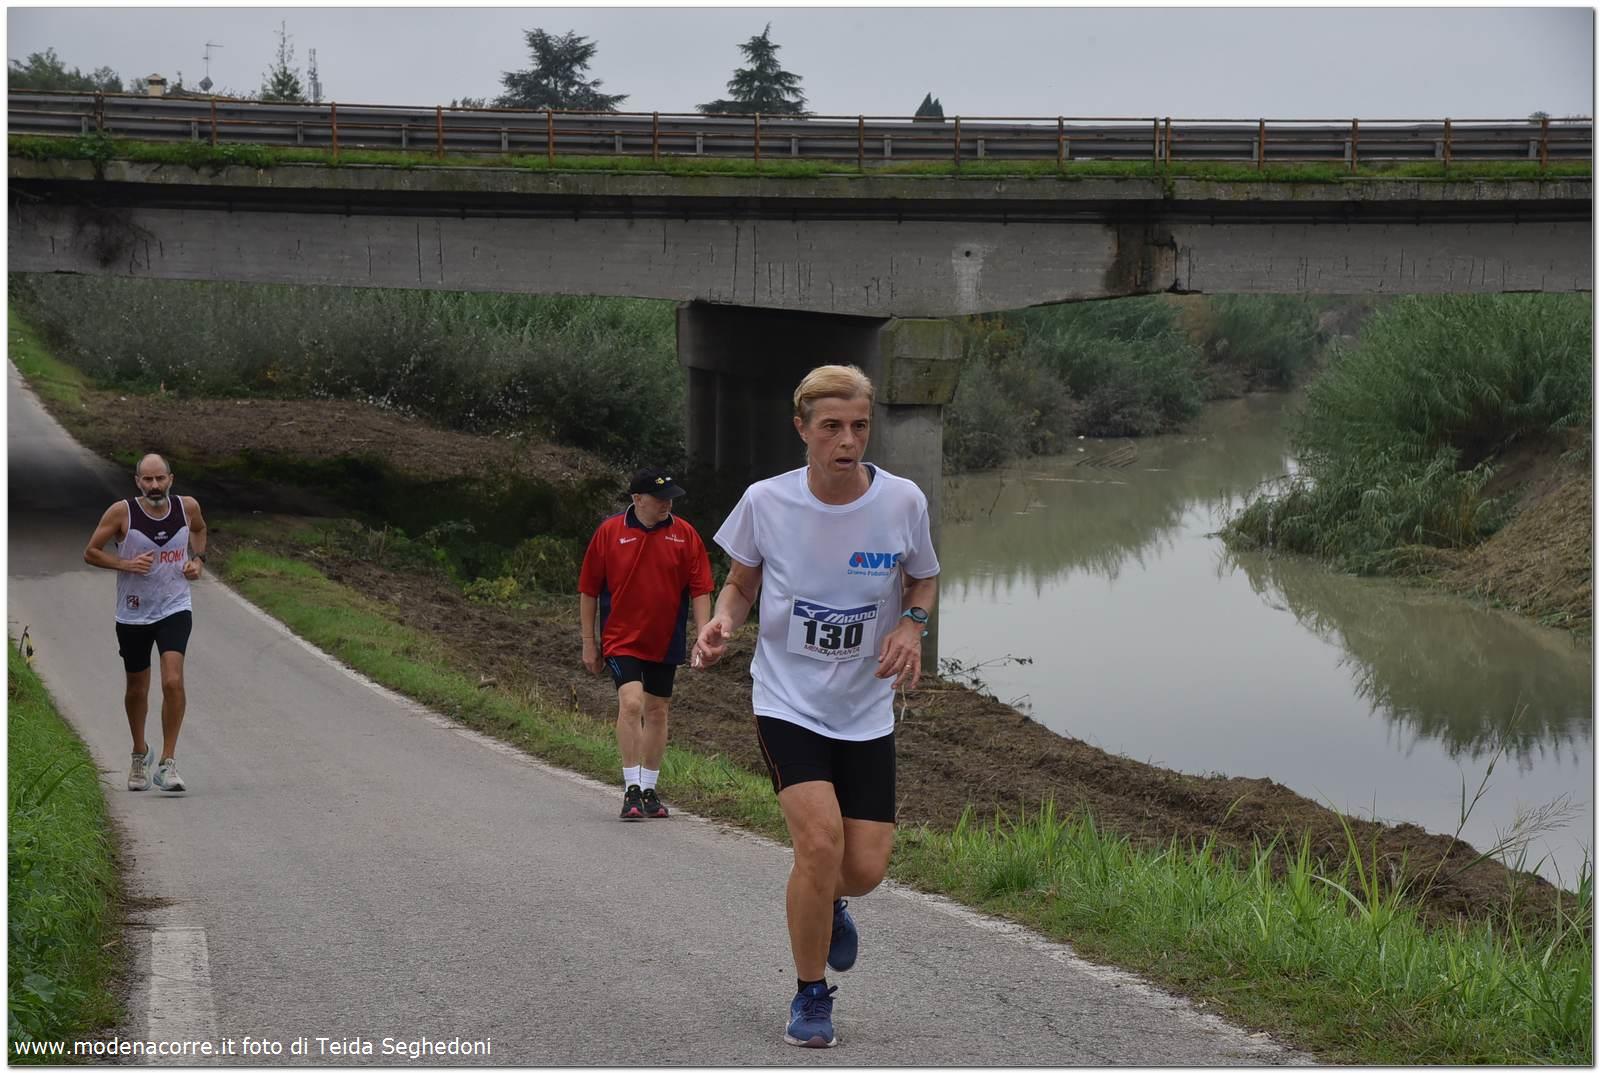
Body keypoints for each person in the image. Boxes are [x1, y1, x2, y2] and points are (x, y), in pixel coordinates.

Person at [692, 364, 939, 1049]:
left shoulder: (902, 501)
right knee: (819, 843)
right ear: (801, 428)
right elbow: (741, 584)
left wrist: (910, 626)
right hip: (787, 700)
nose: (847, 441)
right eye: (831, 426)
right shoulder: (766, 501)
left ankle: (830, 902)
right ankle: (810, 993)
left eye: (859, 426)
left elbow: (923, 578)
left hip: (865, 708)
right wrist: (723, 622)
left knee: (864, 868)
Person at [579, 466, 714, 821]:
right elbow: (589, 590)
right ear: (637, 499)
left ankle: (650, 790)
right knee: (631, 703)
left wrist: (703, 635)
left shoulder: (685, 535)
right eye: (659, 498)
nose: (667, 504)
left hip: (664, 638)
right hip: (620, 639)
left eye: (670, 498)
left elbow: (701, 588)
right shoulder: (610, 532)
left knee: (657, 711)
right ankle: (631, 789)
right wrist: (588, 642)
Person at [83, 453, 208, 793]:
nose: (155, 485)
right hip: (134, 612)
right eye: (148, 479)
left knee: (172, 681)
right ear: (137, 481)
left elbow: (199, 530)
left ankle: (167, 762)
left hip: (175, 607)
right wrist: (125, 564)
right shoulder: (121, 512)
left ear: (171, 479)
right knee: (137, 688)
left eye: (160, 478)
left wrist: (197, 560)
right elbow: (91, 552)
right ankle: (140, 753)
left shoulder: (187, 507)